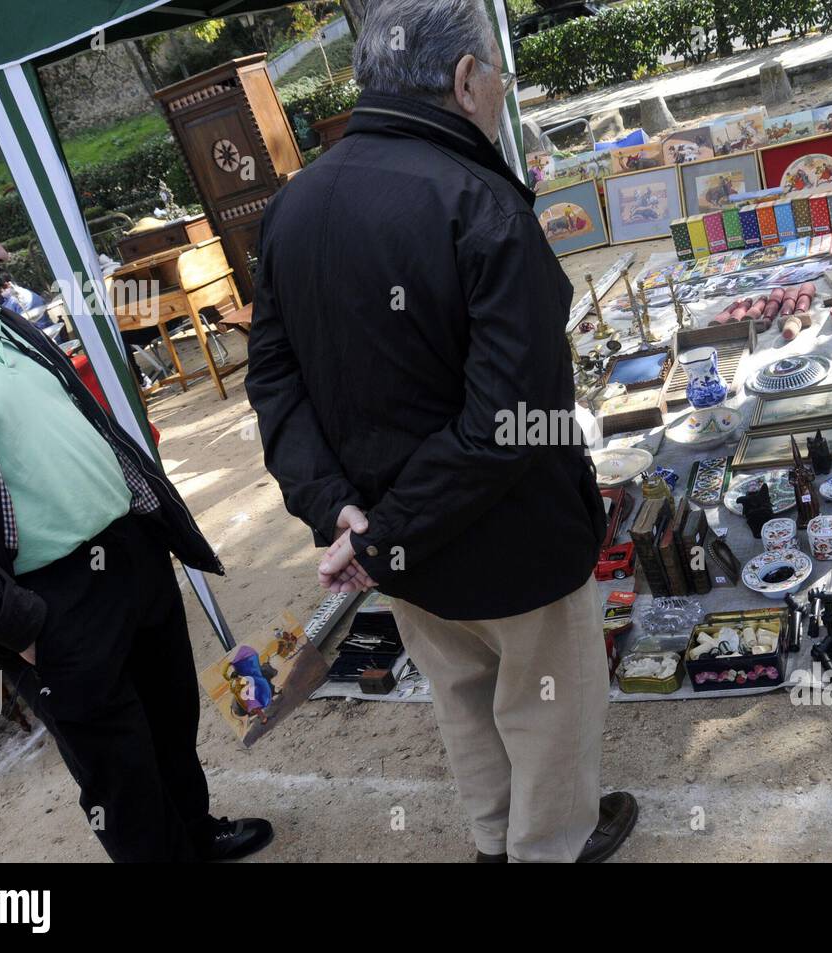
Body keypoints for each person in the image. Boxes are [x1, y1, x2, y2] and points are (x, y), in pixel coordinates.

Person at [246, 0, 638, 863]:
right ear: (466, 80)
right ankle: (545, 847)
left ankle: (496, 841)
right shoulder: (479, 201)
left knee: (464, 695)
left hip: (398, 541)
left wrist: (345, 511)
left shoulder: (295, 205)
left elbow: (273, 381)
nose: (499, 92)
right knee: (544, 709)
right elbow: (511, 420)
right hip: (503, 538)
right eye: (495, 74)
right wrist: (371, 523)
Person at [0, 167, 272, 862]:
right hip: (51, 601)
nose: (2, 251)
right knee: (119, 771)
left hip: (128, 557)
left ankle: (195, 831)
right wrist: (20, 628)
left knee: (169, 723)